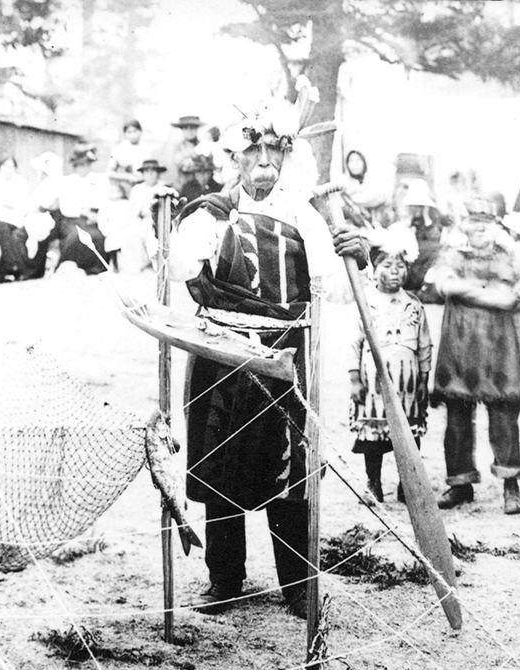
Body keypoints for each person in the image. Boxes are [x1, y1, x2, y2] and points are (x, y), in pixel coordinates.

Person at [169, 97, 368, 618]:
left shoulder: (305, 217)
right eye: (253, 153)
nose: (264, 164)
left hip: (285, 358)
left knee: (289, 474)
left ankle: (297, 586)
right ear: (235, 159)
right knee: (219, 466)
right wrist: (188, 242)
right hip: (223, 356)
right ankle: (225, 580)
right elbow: (183, 276)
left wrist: (356, 256)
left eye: (274, 153)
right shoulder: (210, 214)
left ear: (286, 157)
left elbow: (337, 292)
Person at [426, 195, 520, 514]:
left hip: (499, 347)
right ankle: (460, 484)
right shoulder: (453, 254)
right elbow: (446, 286)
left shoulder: (511, 254)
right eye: (475, 223)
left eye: (488, 223)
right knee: (457, 413)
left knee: (503, 415)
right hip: (460, 345)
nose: (481, 229)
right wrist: (492, 296)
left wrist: (477, 291)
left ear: (497, 225)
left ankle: (510, 484)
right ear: (465, 226)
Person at [347, 227, 432, 503]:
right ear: (374, 268)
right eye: (387, 265)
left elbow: (424, 346)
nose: (395, 271)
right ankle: (373, 483)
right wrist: (354, 379)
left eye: (400, 265)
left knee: (408, 435)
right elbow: (354, 343)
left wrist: (423, 381)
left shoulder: (415, 305)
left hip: (407, 382)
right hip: (374, 381)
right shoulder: (365, 302)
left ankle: (408, 483)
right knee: (374, 435)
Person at [55, 145, 109, 275]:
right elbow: (65, 207)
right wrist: (83, 212)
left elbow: (104, 201)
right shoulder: (67, 181)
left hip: (94, 217)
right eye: (79, 165)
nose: (83, 169)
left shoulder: (99, 179)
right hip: (72, 218)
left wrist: (97, 216)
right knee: (75, 237)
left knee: (97, 237)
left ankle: (94, 268)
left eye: (85, 165)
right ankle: (69, 265)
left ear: (90, 165)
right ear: (74, 166)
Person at [0, 155, 32, 282]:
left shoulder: (21, 181)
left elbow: (23, 205)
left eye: (12, 167)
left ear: (15, 168)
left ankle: (7, 269)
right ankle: (14, 265)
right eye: (5, 166)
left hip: (14, 218)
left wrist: (7, 204)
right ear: (0, 167)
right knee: (1, 226)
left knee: (7, 229)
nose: (8, 169)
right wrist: (7, 204)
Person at [108, 119, 147, 195]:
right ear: (125, 134)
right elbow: (109, 172)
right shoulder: (118, 149)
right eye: (129, 132)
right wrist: (127, 176)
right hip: (124, 187)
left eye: (135, 131)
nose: (133, 135)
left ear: (140, 131)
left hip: (144, 185)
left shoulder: (147, 149)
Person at [160, 114, 204, 180]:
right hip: (183, 183)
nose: (189, 131)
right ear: (182, 130)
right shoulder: (176, 148)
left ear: (196, 129)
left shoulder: (204, 146)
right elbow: (173, 166)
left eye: (192, 128)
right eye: (186, 128)